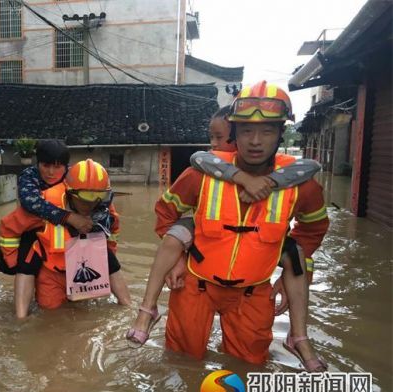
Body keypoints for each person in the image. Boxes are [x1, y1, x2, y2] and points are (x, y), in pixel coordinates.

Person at [127, 105, 327, 371]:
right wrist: (178, 260)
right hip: (196, 283)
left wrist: (294, 274)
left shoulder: (301, 184)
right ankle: (147, 312)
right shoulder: (200, 174)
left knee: (248, 366)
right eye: (246, 131)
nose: (256, 141)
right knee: (181, 362)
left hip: (254, 291)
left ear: (280, 134)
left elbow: (313, 229)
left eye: (267, 131)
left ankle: (298, 337)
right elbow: (166, 212)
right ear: (236, 134)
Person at [0, 159, 131, 316]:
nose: (91, 205)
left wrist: (108, 254)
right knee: (51, 316)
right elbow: (9, 226)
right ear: (70, 192)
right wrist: (12, 261)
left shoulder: (104, 206)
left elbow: (113, 230)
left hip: (84, 270)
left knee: (85, 315)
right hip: (52, 272)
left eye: (98, 197)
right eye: (85, 197)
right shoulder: (47, 203)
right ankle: (20, 317)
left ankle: (128, 308)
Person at [1, 141, 94, 318]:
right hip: (36, 227)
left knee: (103, 261)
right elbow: (31, 202)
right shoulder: (29, 175)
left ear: (66, 167)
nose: (51, 172)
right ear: (38, 163)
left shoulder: (73, 175)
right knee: (26, 265)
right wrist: (68, 217)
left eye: (57, 167)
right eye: (46, 165)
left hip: (73, 231)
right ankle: (21, 317)